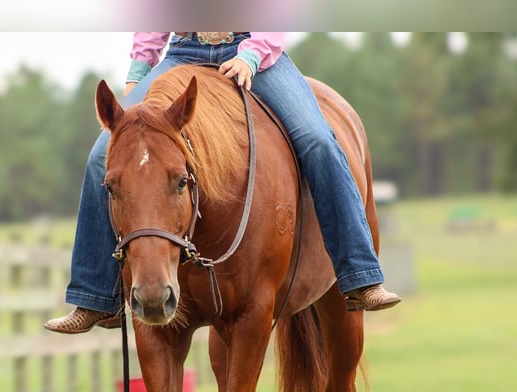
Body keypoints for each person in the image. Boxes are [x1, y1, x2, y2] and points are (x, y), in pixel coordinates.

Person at [45, 32, 400, 334]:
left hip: (254, 52)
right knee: (100, 157)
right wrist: (139, 70)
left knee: (319, 141)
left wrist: (252, 55)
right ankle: (95, 296)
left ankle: (359, 274)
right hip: (184, 54)